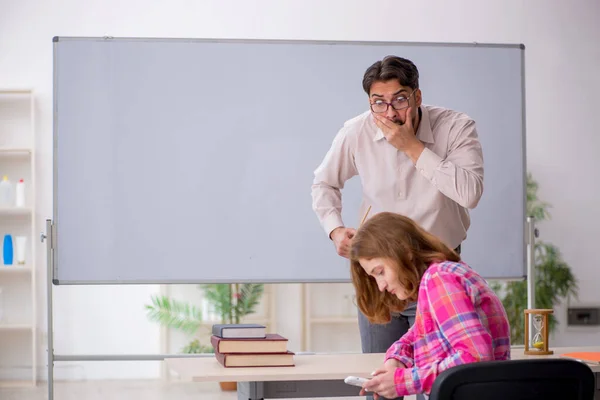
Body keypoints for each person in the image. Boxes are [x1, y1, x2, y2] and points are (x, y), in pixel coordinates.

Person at [311, 55, 484, 399]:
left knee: (439, 384)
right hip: (380, 277)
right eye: (379, 103)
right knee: (381, 382)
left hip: (435, 274)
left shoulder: (456, 127)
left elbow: (470, 192)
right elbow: (324, 183)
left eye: (400, 100)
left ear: (417, 96)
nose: (390, 113)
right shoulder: (357, 130)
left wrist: (413, 148)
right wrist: (335, 229)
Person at [349, 212, 510, 399]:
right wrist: (396, 359)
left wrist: (402, 382)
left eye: (380, 272)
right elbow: (416, 335)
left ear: (404, 251)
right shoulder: (443, 275)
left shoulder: (439, 279)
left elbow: (476, 357)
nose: (381, 286)